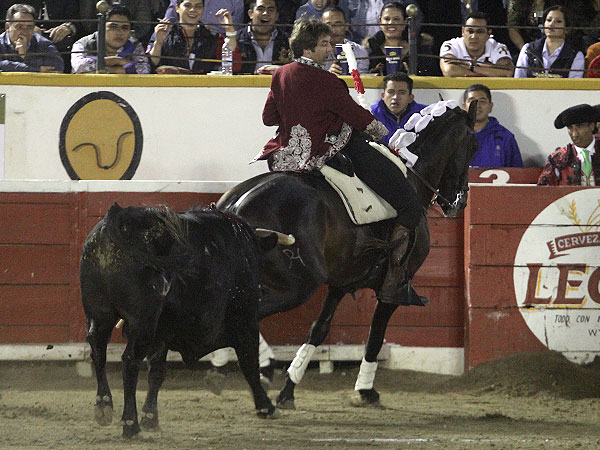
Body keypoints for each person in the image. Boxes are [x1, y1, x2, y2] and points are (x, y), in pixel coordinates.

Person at [253, 17, 425, 305]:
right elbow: (357, 117)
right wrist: (384, 134)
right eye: (323, 44)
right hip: (326, 151)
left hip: (284, 157)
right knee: (408, 201)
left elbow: (268, 118)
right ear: (307, 49)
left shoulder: (281, 73)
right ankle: (393, 277)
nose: (329, 49)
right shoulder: (328, 81)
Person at [148, 0, 240, 74]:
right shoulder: (164, 32)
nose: (193, 10)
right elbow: (151, 65)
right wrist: (158, 43)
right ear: (177, 8)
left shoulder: (212, 36)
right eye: (187, 5)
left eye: (198, 6)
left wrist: (229, 29)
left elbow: (234, 65)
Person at [364, 1, 437, 76]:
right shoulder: (370, 50)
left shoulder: (420, 48)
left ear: (405, 22)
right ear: (380, 21)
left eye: (396, 19)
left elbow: (432, 74)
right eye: (387, 19)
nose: (391, 23)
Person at [71, 4, 150, 73]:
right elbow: (79, 66)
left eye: (124, 27)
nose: (119, 32)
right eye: (113, 26)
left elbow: (144, 70)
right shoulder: (83, 44)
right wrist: (121, 64)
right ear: (101, 27)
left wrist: (112, 65)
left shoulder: (135, 45)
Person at [513, 6, 585, 78]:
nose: (551, 24)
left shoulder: (576, 56)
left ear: (567, 29)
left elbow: (574, 84)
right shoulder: (528, 49)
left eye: (558, 21)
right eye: (549, 20)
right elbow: (518, 80)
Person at [537, 104, 600, 186]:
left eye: (579, 127)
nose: (574, 134)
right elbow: (543, 190)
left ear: (591, 126)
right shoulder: (558, 159)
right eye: (570, 128)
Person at [462, 84, 523, 167]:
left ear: (490, 107)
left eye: (482, 101)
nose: (477, 105)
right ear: (464, 107)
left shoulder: (505, 137)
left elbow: (517, 172)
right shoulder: (453, 136)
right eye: (472, 101)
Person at [439, 11, 513, 77]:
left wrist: (470, 66)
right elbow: (449, 71)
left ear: (488, 33)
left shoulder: (498, 47)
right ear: (463, 31)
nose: (474, 37)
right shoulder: (451, 45)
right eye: (470, 31)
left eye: (480, 32)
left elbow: (508, 72)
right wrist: (488, 74)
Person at [0, 3, 63, 72]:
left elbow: (57, 67)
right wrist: (36, 69)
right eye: (19, 27)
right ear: (7, 27)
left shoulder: (43, 43)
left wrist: (26, 55)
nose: (24, 32)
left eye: (29, 27)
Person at [370, 71, 426, 144]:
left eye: (402, 92)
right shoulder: (371, 116)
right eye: (391, 92)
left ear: (410, 98)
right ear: (383, 96)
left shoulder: (424, 115)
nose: (395, 97)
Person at [236, 0, 289, 74]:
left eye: (270, 10)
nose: (265, 13)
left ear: (277, 16)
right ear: (251, 14)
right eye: (260, 9)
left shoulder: (288, 41)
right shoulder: (236, 39)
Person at [321, 5, 368, 74]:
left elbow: (362, 78)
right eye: (328, 25)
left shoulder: (360, 52)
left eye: (338, 24)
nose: (333, 30)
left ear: (346, 26)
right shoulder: (314, 52)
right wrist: (328, 75)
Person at [164, 0, 245, 34]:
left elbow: (236, 29)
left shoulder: (236, 1)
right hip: (185, 38)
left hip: (220, 43)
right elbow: (168, 22)